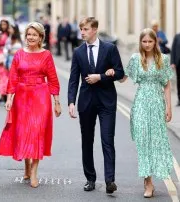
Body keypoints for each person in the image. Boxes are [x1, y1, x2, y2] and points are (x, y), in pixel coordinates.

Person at [106, 28, 173, 198]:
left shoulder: (163, 59)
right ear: (140, 42)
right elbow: (123, 77)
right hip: (141, 103)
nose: (147, 44)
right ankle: (148, 182)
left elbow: (166, 84)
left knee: (155, 142)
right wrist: (112, 71)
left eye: (150, 41)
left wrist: (169, 107)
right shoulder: (136, 59)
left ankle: (152, 178)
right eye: (144, 41)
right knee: (143, 143)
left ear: (155, 42)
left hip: (157, 104)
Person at [0, 22, 61, 188]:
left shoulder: (46, 55)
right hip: (22, 97)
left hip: (40, 95)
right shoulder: (19, 54)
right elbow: (13, 78)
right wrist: (9, 98)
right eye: (28, 34)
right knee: (24, 132)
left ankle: (34, 171)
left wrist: (57, 102)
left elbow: (53, 79)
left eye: (34, 35)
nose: (30, 37)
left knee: (37, 131)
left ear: (40, 37)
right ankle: (26, 165)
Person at [67, 17, 124, 194]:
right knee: (87, 141)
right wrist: (71, 101)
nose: (82, 32)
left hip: (107, 101)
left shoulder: (110, 48)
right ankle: (90, 179)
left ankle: (109, 180)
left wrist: (101, 76)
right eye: (81, 29)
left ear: (94, 30)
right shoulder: (78, 52)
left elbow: (121, 73)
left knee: (107, 140)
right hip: (86, 102)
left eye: (85, 29)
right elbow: (73, 79)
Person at [170, 32, 180, 106]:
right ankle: (179, 99)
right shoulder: (177, 37)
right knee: (179, 82)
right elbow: (173, 50)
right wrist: (172, 62)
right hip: (178, 63)